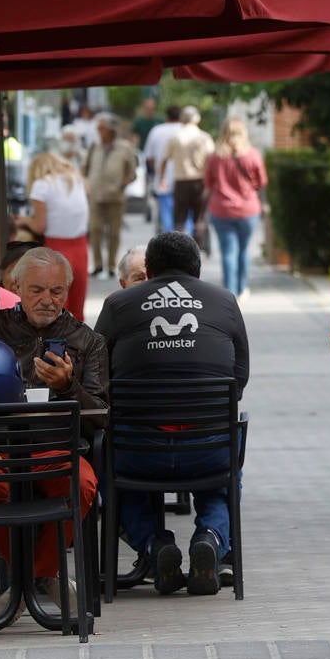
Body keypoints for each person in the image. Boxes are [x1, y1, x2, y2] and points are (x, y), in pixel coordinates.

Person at [95, 232, 250, 596]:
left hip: (137, 452)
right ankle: (211, 539)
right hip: (208, 450)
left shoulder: (118, 306)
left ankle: (155, 546)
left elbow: (96, 375)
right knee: (225, 464)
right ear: (197, 267)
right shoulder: (225, 302)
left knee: (104, 455)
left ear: (148, 270)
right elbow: (239, 379)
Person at [0, 247, 108, 614]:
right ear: (15, 287)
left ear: (68, 292)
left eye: (56, 291)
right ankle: (42, 577)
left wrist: (67, 386)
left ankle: (26, 584)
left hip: (52, 449)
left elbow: (101, 415)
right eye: (37, 290)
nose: (47, 300)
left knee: (82, 483)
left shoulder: (87, 341)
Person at [16, 152, 90, 319]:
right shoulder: (76, 180)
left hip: (57, 247)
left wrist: (25, 220)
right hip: (81, 246)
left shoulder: (41, 185)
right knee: (77, 306)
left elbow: (40, 226)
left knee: (55, 306)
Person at [204, 117, 268, 298]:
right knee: (243, 250)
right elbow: (262, 181)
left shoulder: (215, 157)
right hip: (248, 210)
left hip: (221, 209)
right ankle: (242, 288)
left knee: (227, 251)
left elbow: (208, 182)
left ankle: (230, 292)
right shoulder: (253, 155)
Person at [83, 115, 139, 280]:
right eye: (98, 128)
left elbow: (132, 173)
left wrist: (122, 183)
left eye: (102, 128)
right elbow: (84, 169)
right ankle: (98, 264)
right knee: (95, 229)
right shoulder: (95, 147)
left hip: (116, 196)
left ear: (111, 130)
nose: (99, 132)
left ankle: (112, 265)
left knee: (114, 233)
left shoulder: (125, 147)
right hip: (95, 194)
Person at [166, 106, 215, 247]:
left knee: (180, 217)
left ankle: (179, 246)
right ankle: (198, 247)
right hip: (200, 181)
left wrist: (162, 178)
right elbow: (211, 160)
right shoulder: (204, 137)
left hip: (181, 181)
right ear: (197, 119)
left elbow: (164, 159)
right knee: (199, 217)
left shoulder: (175, 137)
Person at [143, 105, 182, 233]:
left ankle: (169, 242)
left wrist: (158, 172)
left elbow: (149, 157)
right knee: (185, 214)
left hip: (163, 179)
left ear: (166, 117)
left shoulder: (157, 131)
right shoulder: (185, 130)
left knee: (166, 214)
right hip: (185, 180)